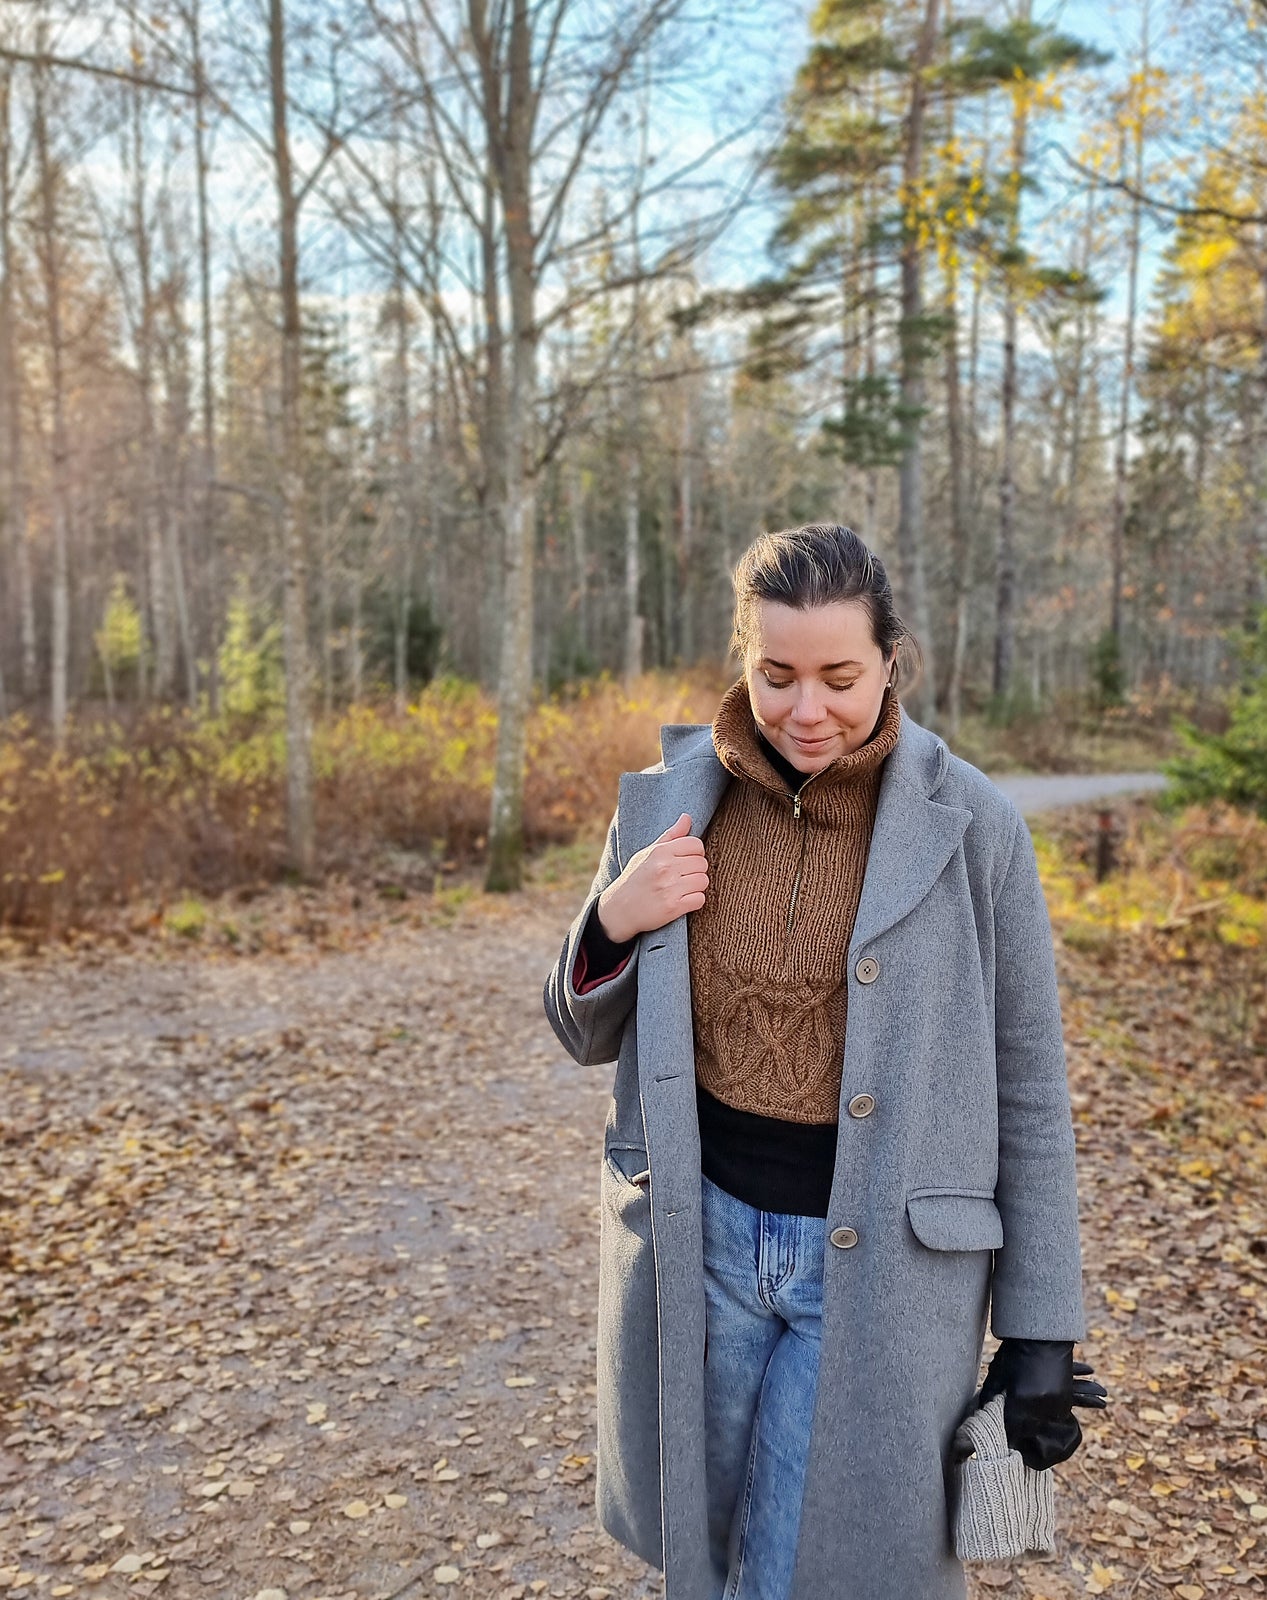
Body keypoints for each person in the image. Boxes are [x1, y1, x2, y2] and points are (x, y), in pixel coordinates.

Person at [543, 523, 1106, 1600]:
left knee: (812, 1566)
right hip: (698, 1237)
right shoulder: (670, 803)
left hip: (882, 1267)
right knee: (703, 1550)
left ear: (893, 661)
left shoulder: (974, 826)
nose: (808, 711)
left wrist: (1042, 1328)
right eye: (777, 674)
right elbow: (576, 1027)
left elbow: (1030, 1086)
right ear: (742, 659)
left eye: (841, 677)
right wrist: (615, 915)